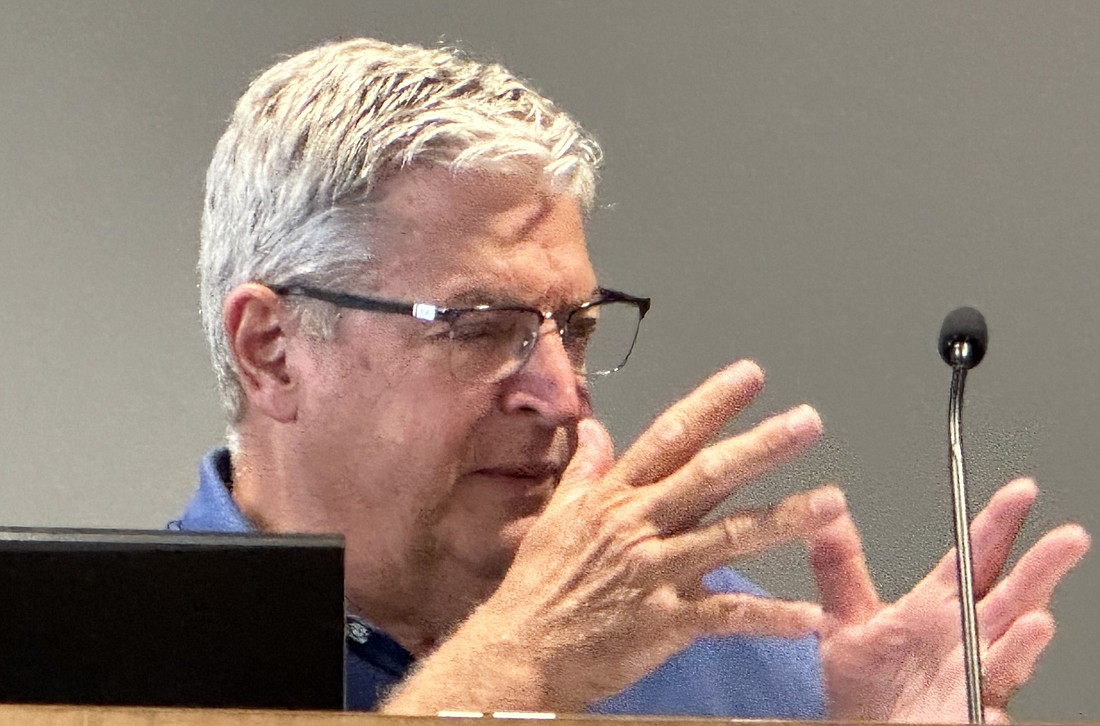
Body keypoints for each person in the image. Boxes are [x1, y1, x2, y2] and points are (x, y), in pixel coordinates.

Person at [171, 37, 1089, 720]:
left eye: (572, 331)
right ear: (272, 350)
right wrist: (516, 668)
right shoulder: (63, 659)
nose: (561, 395)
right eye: (479, 328)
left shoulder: (713, 640)